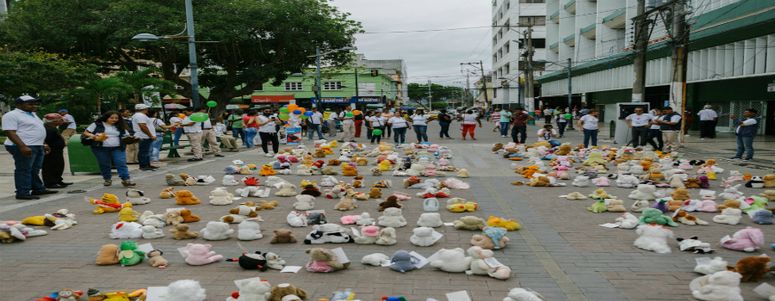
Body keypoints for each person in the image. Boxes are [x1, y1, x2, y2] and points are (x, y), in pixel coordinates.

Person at [2, 96, 58, 200]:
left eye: (35, 103)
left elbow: (37, 129)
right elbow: (10, 132)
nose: (34, 105)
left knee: (34, 169)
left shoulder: (32, 114)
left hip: (37, 145)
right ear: (19, 105)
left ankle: (38, 188)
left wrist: (43, 143)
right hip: (23, 146)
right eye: (30, 103)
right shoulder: (12, 115)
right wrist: (22, 146)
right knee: (24, 169)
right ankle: (23, 192)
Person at [82, 111, 136, 187]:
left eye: (116, 118)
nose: (114, 119)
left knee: (121, 162)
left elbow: (126, 135)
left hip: (118, 147)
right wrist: (94, 136)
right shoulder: (97, 124)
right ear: (106, 117)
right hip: (100, 148)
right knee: (104, 164)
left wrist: (131, 138)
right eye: (112, 118)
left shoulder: (120, 125)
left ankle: (126, 179)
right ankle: (107, 179)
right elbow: (86, 132)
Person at [42, 113, 71, 189]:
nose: (62, 122)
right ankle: (50, 182)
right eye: (60, 120)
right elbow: (46, 140)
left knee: (59, 166)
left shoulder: (53, 127)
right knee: (50, 167)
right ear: (53, 121)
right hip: (51, 151)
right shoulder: (48, 128)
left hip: (57, 151)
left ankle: (58, 180)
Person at [131, 104, 157, 171]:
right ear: (144, 109)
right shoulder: (140, 116)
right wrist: (151, 135)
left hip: (145, 136)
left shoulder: (139, 115)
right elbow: (143, 126)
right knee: (144, 151)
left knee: (146, 151)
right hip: (144, 136)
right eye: (146, 108)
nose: (147, 110)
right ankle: (143, 165)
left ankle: (147, 164)